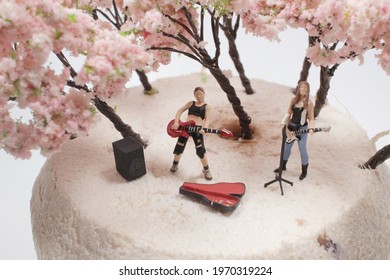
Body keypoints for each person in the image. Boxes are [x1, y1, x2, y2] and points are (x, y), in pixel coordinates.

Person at [274, 81, 315, 180]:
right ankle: (283, 165)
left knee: (302, 149)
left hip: (302, 129)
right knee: (287, 148)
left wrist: (311, 128)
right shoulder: (293, 100)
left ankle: (304, 171)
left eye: (305, 88)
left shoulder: (309, 103)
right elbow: (288, 114)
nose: (303, 90)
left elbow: (311, 118)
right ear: (298, 89)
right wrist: (286, 127)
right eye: (301, 87)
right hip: (291, 127)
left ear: (308, 90)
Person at [170, 86, 212, 180]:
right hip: (185, 128)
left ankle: (206, 169)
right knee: (179, 147)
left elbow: (207, 120)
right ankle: (175, 164)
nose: (199, 96)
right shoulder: (190, 103)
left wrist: (204, 128)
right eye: (197, 94)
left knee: (200, 151)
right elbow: (179, 111)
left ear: (204, 94)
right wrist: (176, 122)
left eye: (201, 94)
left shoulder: (207, 107)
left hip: (197, 129)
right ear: (194, 95)